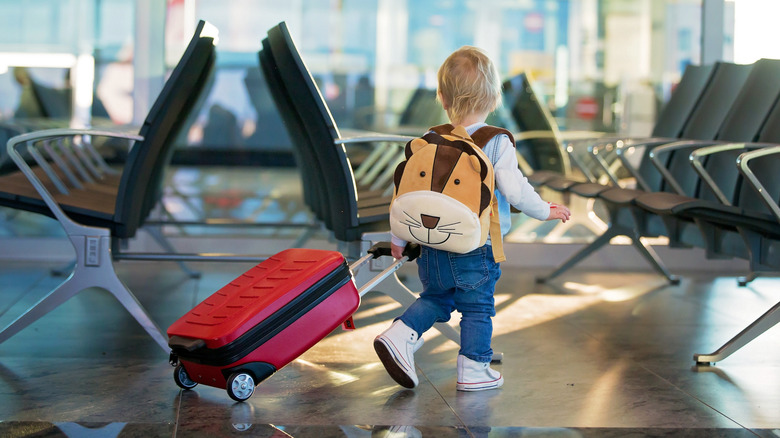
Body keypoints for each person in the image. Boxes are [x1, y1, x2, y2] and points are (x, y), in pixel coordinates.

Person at [374, 46, 571, 392]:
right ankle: (475, 368)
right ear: (493, 97)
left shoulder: (428, 140)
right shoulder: (496, 143)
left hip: (431, 244)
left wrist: (399, 239)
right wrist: (545, 210)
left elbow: (405, 194)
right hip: (475, 247)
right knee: (477, 308)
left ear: (442, 97)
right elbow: (515, 189)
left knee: (436, 298)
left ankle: (400, 333)